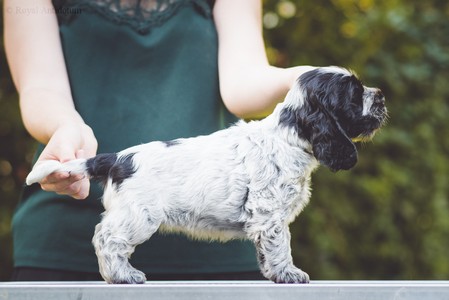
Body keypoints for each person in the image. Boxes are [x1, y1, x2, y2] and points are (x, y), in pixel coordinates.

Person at [5, 0, 313, 281]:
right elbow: (41, 87)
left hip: (221, 258)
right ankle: (113, 250)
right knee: (133, 220)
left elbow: (243, 84)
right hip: (62, 249)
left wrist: (298, 80)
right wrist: (65, 126)